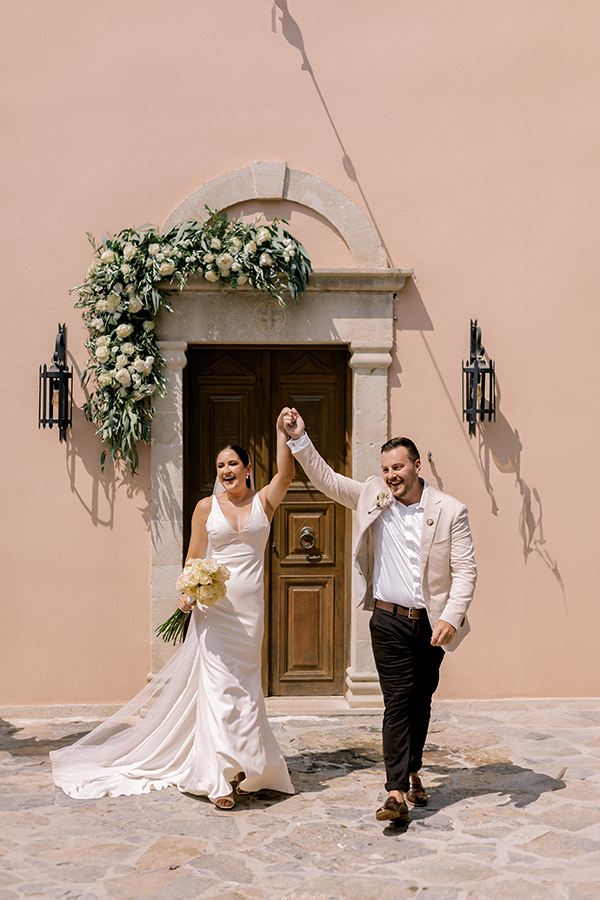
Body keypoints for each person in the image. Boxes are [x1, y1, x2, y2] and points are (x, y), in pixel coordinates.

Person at [51, 414, 296, 809]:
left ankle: (249, 767)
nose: (226, 471)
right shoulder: (205, 508)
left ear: (248, 468)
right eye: (220, 466)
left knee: (246, 689)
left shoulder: (263, 502)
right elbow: (193, 558)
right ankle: (218, 778)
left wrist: (285, 435)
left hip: (250, 615)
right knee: (217, 688)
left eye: (233, 464)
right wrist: (188, 592)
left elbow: (285, 474)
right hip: (215, 613)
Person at [282, 407, 477, 823]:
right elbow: (328, 481)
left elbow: (466, 571)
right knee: (397, 702)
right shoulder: (374, 494)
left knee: (421, 700)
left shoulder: (450, 510)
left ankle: (413, 770)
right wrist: (300, 439)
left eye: (399, 466)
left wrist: (451, 617)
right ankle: (394, 792)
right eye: (386, 468)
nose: (391, 474)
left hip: (431, 624)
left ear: (416, 465)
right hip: (386, 619)